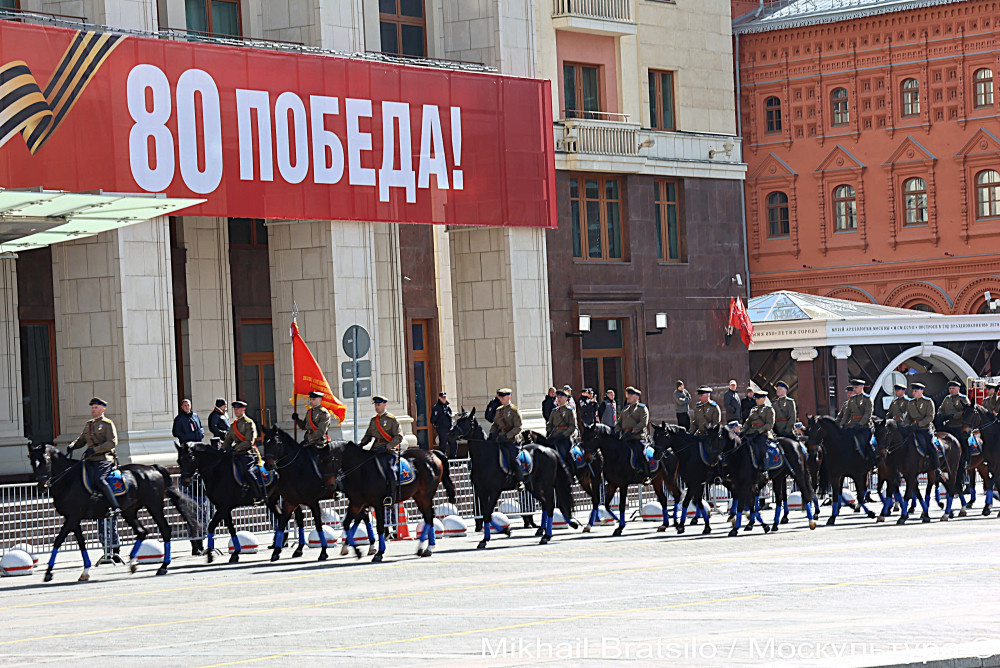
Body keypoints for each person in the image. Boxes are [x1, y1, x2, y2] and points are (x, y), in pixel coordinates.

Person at [69, 397, 120, 516]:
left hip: (104, 459)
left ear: (103, 409)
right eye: (92, 407)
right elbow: (81, 440)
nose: (93, 410)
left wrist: (95, 450)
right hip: (90, 459)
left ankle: (115, 505)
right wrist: (72, 446)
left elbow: (112, 442)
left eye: (96, 407)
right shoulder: (89, 425)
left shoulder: (107, 424)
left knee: (99, 479)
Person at [359, 396, 403, 503]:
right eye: (375, 405)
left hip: (388, 451)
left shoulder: (392, 420)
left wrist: (387, 447)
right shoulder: (374, 421)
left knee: (390, 469)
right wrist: (360, 446)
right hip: (375, 450)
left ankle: (391, 496)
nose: (376, 407)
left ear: (384, 405)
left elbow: (399, 437)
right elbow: (368, 436)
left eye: (378, 405)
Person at [901, 382, 946, 480]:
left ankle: (937, 467)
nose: (913, 393)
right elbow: (908, 416)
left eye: (916, 391)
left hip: (925, 429)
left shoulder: (928, 402)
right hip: (913, 429)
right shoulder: (910, 403)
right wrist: (906, 425)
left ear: (921, 391)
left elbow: (930, 417)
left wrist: (919, 424)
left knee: (931, 445)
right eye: (913, 391)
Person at [222, 400, 264, 503]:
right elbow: (228, 440)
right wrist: (222, 449)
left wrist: (235, 449)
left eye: (238, 409)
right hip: (235, 454)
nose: (236, 411)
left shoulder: (249, 423)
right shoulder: (233, 425)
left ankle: (257, 494)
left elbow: (249, 442)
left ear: (243, 409)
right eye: (235, 409)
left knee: (247, 471)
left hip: (247, 453)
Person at [488, 388, 523, 488]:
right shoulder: (499, 411)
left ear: (509, 397)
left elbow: (518, 427)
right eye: (501, 397)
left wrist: (507, 436)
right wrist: (491, 434)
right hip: (500, 439)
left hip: (512, 440)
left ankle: (520, 480)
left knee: (513, 458)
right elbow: (495, 425)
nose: (501, 399)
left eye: (503, 397)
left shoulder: (514, 410)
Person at [616, 386, 650, 482]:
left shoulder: (642, 409)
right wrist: (617, 431)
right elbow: (618, 424)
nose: (628, 396)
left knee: (641, 453)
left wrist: (632, 431)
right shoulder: (625, 410)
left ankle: (646, 475)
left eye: (631, 394)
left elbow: (643, 423)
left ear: (637, 397)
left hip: (638, 438)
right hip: (625, 439)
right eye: (628, 394)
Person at [837, 379, 874, 465]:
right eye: (853, 387)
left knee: (867, 443)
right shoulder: (852, 400)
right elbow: (846, 414)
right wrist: (842, 424)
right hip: (852, 426)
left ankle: (871, 459)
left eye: (856, 387)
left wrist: (860, 424)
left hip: (864, 427)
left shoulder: (867, 399)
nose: (854, 389)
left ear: (861, 387)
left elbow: (867, 414)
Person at [741, 390, 774, 480]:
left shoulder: (768, 409)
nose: (756, 400)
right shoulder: (753, 409)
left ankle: (764, 470)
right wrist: (743, 431)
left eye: (759, 398)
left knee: (762, 449)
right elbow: (748, 422)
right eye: (756, 398)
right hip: (750, 433)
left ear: (764, 399)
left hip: (762, 434)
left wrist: (759, 431)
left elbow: (769, 424)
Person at [546, 389, 576, 467]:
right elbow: (550, 424)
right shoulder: (554, 411)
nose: (559, 399)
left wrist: (563, 435)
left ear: (566, 399)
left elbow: (572, 426)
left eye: (561, 397)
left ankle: (573, 472)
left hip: (565, 438)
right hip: (554, 437)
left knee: (568, 454)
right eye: (558, 397)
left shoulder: (569, 410)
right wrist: (549, 432)